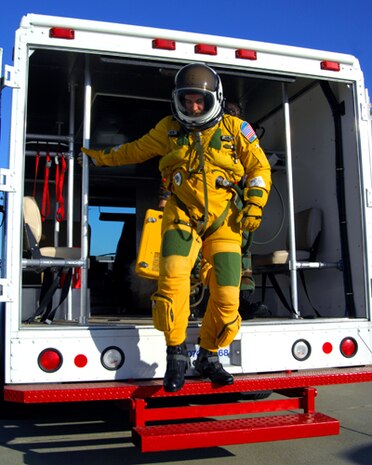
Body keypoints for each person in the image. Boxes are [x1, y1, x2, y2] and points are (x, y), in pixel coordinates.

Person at [81, 63, 271, 392]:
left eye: (200, 101)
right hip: (180, 217)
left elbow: (258, 167)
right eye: (187, 101)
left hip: (224, 222)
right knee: (172, 286)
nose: (193, 107)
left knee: (228, 297)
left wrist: (255, 202)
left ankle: (209, 356)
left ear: (215, 99)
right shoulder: (169, 129)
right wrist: (101, 157)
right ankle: (176, 354)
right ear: (178, 100)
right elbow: (134, 150)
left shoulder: (236, 129)